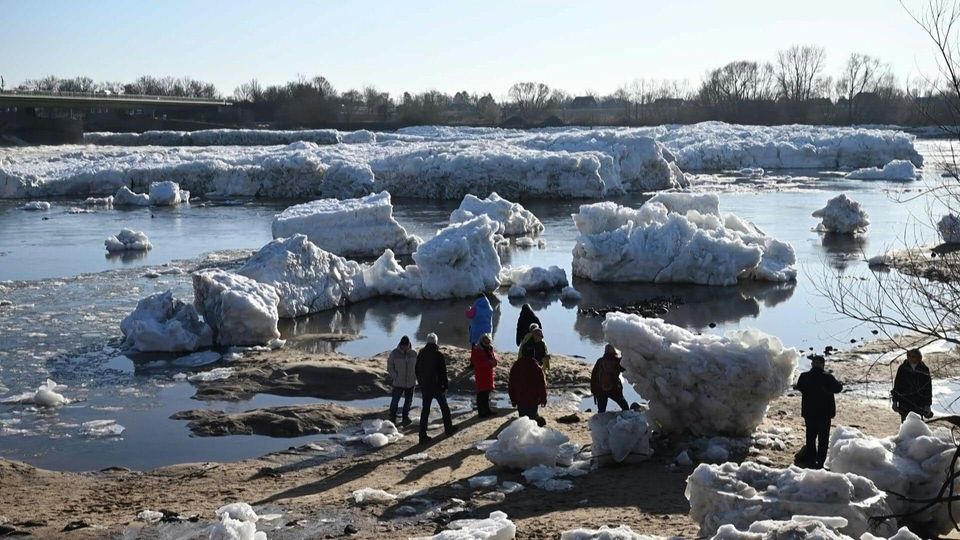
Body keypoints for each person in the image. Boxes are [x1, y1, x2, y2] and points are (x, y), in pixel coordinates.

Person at [794, 355, 843, 469]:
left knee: (810, 438)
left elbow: (799, 387)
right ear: (823, 364)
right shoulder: (828, 377)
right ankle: (820, 463)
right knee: (823, 440)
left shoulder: (804, 376)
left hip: (809, 413)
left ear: (812, 364)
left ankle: (811, 463)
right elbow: (838, 388)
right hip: (824, 414)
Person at [415, 333, 454, 444]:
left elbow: (417, 370)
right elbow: (443, 372)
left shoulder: (421, 353)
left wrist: (421, 383)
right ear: (436, 342)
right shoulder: (438, 354)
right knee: (444, 408)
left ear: (427, 342)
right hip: (437, 387)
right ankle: (448, 429)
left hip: (426, 388)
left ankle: (422, 435)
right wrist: (445, 385)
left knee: (425, 411)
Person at [509, 342, 547, 426]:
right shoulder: (536, 366)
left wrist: (513, 399)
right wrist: (543, 399)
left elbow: (511, 384)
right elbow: (541, 385)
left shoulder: (516, 365)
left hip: (520, 398)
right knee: (531, 422)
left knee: (522, 421)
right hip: (532, 400)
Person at [892, 348, 933, 422]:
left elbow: (928, 388)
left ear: (918, 357)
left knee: (917, 425)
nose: (910, 358)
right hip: (904, 402)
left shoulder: (924, 369)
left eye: (913, 356)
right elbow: (897, 385)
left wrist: (928, 405)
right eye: (908, 355)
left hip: (919, 403)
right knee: (905, 425)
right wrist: (895, 401)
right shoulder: (902, 368)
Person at [386, 335, 417, 426]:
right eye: (402, 345)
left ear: (408, 345)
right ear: (400, 344)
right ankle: (392, 418)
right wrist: (395, 376)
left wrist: (416, 377)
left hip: (411, 382)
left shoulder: (414, 353)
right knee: (395, 401)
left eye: (405, 346)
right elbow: (390, 367)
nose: (404, 347)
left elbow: (418, 366)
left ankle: (405, 417)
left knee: (408, 401)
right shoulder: (394, 354)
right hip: (398, 383)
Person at [591, 344, 629, 413]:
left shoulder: (600, 361)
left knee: (601, 410)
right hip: (614, 390)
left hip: (600, 389)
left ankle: (600, 422)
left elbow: (594, 375)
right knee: (625, 406)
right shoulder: (617, 361)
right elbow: (625, 369)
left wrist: (593, 389)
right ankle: (628, 418)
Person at [470, 332, 498, 418]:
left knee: (487, 393)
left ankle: (487, 409)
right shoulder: (477, 350)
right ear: (481, 341)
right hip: (481, 374)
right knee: (481, 393)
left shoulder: (490, 349)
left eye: (488, 342)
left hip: (488, 374)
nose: (487, 343)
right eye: (486, 342)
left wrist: (494, 362)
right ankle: (481, 412)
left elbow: (493, 359)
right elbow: (477, 363)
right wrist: (489, 362)